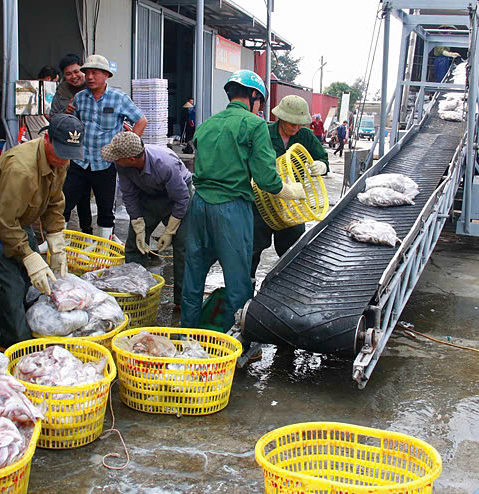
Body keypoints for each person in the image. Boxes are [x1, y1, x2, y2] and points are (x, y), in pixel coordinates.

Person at [180, 70, 305, 332]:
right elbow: (267, 180)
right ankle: (236, 342)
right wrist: (291, 191)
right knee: (238, 281)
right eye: (260, 102)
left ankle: (187, 336)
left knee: (193, 277)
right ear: (253, 96)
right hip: (230, 209)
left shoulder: (207, 124)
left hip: (199, 204)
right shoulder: (254, 125)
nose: (259, 108)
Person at [0, 114, 83, 350]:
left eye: (69, 154)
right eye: (60, 152)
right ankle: (14, 346)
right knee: (9, 285)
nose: (64, 161)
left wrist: (56, 239)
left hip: (19, 220)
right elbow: (6, 223)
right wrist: (28, 256)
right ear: (47, 138)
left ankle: (30, 330)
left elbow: (54, 202)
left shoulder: (62, 159)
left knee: (34, 282)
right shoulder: (21, 169)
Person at [101, 131, 192, 306]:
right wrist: (138, 226)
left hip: (178, 195)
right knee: (134, 244)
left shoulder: (165, 164)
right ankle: (135, 293)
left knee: (183, 246)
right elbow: (129, 195)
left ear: (132, 159)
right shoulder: (122, 165)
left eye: (117, 157)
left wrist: (169, 231)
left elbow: (181, 199)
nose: (114, 160)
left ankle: (183, 301)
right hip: (147, 194)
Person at [64, 54, 148, 241]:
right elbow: (72, 123)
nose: (90, 77)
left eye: (95, 73)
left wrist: (129, 146)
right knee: (65, 203)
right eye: (88, 73)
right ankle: (57, 244)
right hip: (80, 161)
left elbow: (141, 120)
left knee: (105, 207)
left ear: (106, 75)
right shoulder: (80, 98)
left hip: (105, 163)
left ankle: (103, 246)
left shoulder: (119, 98)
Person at [251, 95, 329, 281]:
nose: (295, 128)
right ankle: (247, 289)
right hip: (263, 201)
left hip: (293, 204)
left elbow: (323, 157)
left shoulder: (305, 136)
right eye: (291, 123)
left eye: (299, 123)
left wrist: (322, 165)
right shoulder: (264, 133)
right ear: (280, 117)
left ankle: (290, 286)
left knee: (293, 251)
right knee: (252, 249)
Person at [50, 54, 93, 235]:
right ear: (63, 76)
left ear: (82, 69)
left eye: (76, 71)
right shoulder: (61, 93)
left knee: (86, 192)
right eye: (68, 74)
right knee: (69, 190)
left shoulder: (93, 87)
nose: (74, 76)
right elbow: (52, 118)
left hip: (91, 148)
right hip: (69, 148)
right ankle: (60, 232)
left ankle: (88, 231)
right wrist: (64, 112)